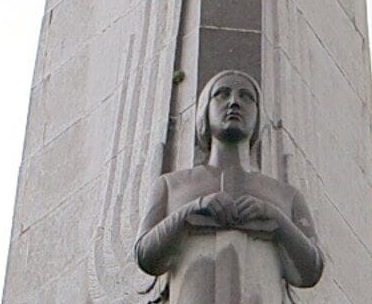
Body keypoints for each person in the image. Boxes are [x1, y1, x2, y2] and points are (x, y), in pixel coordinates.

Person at [134, 69, 323, 286]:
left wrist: (273, 215)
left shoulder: (286, 196)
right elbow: (144, 256)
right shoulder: (171, 185)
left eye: (246, 96)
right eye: (222, 94)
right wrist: (193, 208)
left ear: (258, 114)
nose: (234, 102)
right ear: (205, 109)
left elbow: (312, 269)